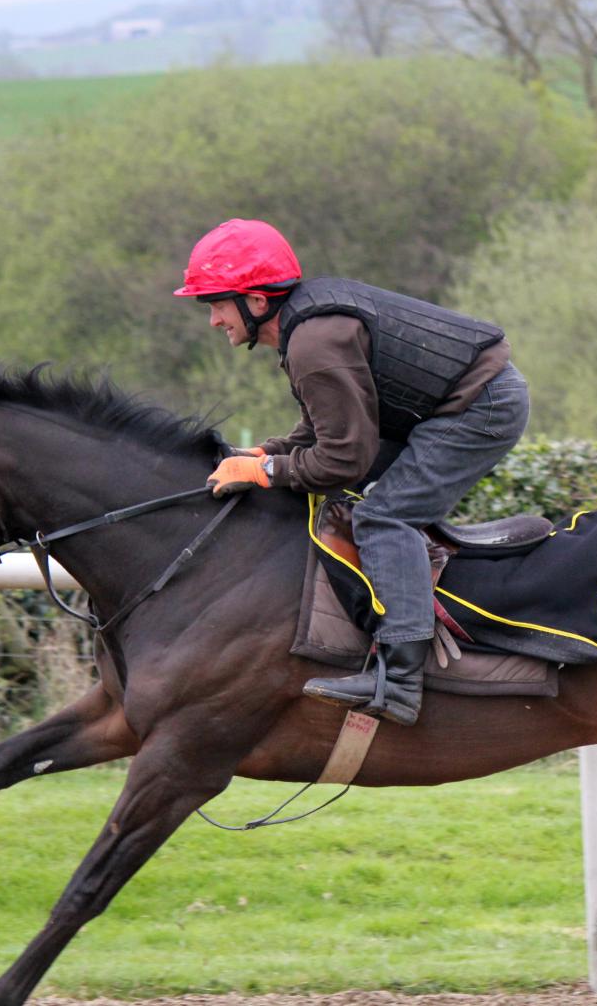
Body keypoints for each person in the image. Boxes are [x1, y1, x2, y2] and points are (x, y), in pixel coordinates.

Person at [174, 219, 530, 726]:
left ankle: (400, 682)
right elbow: (328, 429)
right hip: (452, 403)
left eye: (216, 305)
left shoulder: (312, 343)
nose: (212, 320)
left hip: (480, 407)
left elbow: (343, 460)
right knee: (341, 493)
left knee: (385, 516)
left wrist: (267, 470)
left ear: (255, 301)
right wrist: (264, 454)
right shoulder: (306, 326)